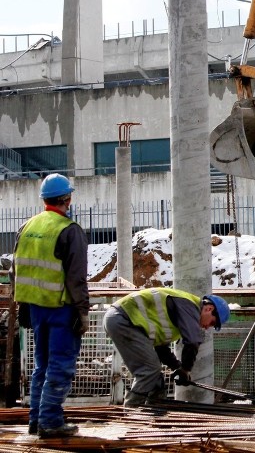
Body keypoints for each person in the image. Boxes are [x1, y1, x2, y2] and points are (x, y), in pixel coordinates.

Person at [14, 173, 90, 438]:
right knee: (60, 366)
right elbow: (76, 277)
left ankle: (36, 421)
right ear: (67, 199)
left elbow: (18, 268)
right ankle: (50, 421)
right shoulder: (69, 230)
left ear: (44, 198)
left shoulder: (27, 227)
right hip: (61, 308)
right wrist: (82, 311)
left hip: (35, 308)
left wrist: (22, 304)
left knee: (41, 366)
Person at [103, 288, 230, 406]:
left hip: (123, 320)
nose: (208, 327)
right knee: (149, 370)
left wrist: (177, 367)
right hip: (123, 319)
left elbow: (161, 349)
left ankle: (154, 412)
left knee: (156, 378)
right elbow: (192, 342)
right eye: (212, 322)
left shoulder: (182, 314)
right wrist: (185, 369)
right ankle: (131, 411)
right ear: (209, 309)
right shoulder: (189, 307)